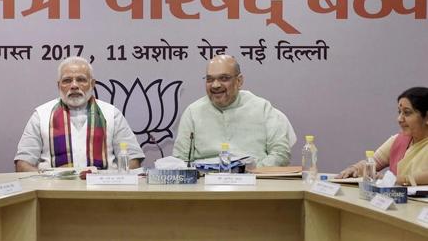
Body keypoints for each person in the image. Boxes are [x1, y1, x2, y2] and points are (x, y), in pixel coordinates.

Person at [15, 56, 144, 172]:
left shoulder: (111, 114)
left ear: (92, 84)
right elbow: (23, 163)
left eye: (81, 79)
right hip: (53, 192)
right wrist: (45, 182)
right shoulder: (41, 115)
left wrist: (114, 182)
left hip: (104, 192)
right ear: (59, 85)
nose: (74, 85)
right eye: (67, 80)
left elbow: (133, 159)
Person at [173, 55, 295, 167]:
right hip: (205, 184)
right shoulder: (193, 112)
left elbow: (281, 155)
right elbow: (180, 160)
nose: (215, 85)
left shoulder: (262, 108)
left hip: (255, 183)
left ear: (239, 81)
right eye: (210, 79)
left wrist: (250, 172)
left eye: (224, 78)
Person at [337, 87, 428, 186]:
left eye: (407, 113)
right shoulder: (398, 141)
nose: (399, 119)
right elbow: (372, 163)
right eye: (399, 112)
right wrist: (355, 169)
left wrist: (396, 180)